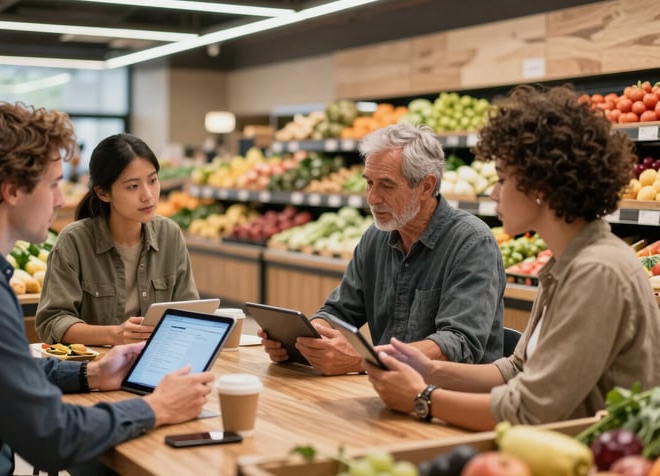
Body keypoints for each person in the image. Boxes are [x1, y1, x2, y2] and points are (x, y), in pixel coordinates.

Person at [0, 103, 214, 476]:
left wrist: (91, 373)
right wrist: (157, 407)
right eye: (53, 184)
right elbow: (52, 438)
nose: (61, 200)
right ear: (12, 190)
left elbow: (7, 371)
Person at [363, 84, 660, 430]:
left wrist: (423, 398)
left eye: (503, 179)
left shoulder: (597, 272)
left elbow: (531, 410)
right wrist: (429, 369)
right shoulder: (566, 263)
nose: (493, 193)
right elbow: (518, 370)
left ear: (541, 187)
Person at [259, 122, 506, 375]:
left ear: (426, 186)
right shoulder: (376, 238)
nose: (372, 198)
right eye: (369, 183)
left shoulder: (472, 243)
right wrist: (307, 340)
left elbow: (458, 344)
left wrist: (364, 359)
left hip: (455, 398)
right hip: (389, 389)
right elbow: (339, 311)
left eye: (386, 185)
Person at [35, 133, 199, 346]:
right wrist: (114, 335)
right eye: (133, 186)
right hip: (95, 369)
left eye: (153, 180)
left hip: (156, 364)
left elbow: (191, 311)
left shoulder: (170, 235)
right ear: (103, 193)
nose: (148, 195)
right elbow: (52, 321)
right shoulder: (74, 241)